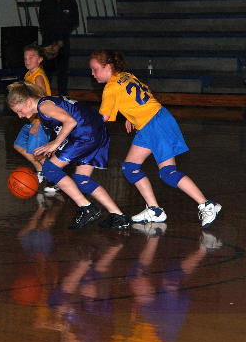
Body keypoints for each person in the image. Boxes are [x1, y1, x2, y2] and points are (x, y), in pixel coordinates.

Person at [89, 50, 221, 227]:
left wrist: (78, 123)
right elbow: (143, 93)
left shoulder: (110, 87)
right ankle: (154, 210)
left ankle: (207, 205)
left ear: (108, 67)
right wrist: (132, 116)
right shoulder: (126, 76)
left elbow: (102, 118)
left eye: (95, 69)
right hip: (151, 123)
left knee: (168, 173)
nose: (92, 74)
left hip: (155, 124)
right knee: (130, 168)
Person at [7, 81, 130, 230]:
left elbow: (70, 122)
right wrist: (55, 144)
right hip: (96, 131)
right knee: (82, 179)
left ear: (28, 102)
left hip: (85, 134)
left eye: (19, 111)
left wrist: (55, 144)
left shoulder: (44, 107)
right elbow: (70, 122)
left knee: (49, 169)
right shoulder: (48, 102)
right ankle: (119, 216)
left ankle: (87, 208)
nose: (20, 116)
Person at [13, 44, 52, 186]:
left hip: (40, 121)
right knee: (19, 145)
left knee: (39, 154)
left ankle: (54, 179)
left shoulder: (38, 77)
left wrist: (37, 122)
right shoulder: (28, 74)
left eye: (31, 57)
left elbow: (42, 102)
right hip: (32, 120)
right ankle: (40, 170)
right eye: (25, 58)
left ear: (40, 59)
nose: (27, 60)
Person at [38, 0, 79, 96]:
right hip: (48, 42)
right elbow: (42, 21)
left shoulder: (70, 1)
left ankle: (63, 96)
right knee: (48, 72)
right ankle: (46, 96)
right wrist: (51, 44)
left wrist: (61, 40)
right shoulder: (46, 1)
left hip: (64, 42)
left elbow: (75, 21)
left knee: (63, 72)